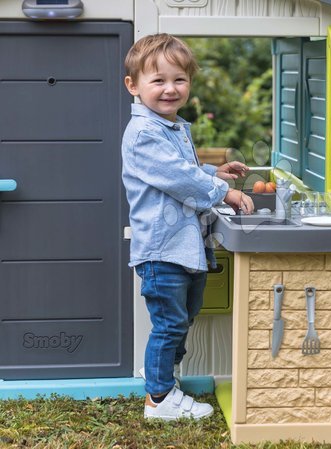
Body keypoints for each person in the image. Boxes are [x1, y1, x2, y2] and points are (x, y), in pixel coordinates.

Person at [121, 33, 254, 421]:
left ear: (189, 83)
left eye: (178, 79)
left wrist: (214, 171)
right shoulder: (145, 133)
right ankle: (159, 400)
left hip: (185, 246)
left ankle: (162, 377)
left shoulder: (173, 127)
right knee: (169, 323)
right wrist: (223, 192)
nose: (169, 89)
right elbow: (178, 178)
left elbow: (184, 169)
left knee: (184, 318)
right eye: (158, 80)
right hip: (162, 248)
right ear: (133, 85)